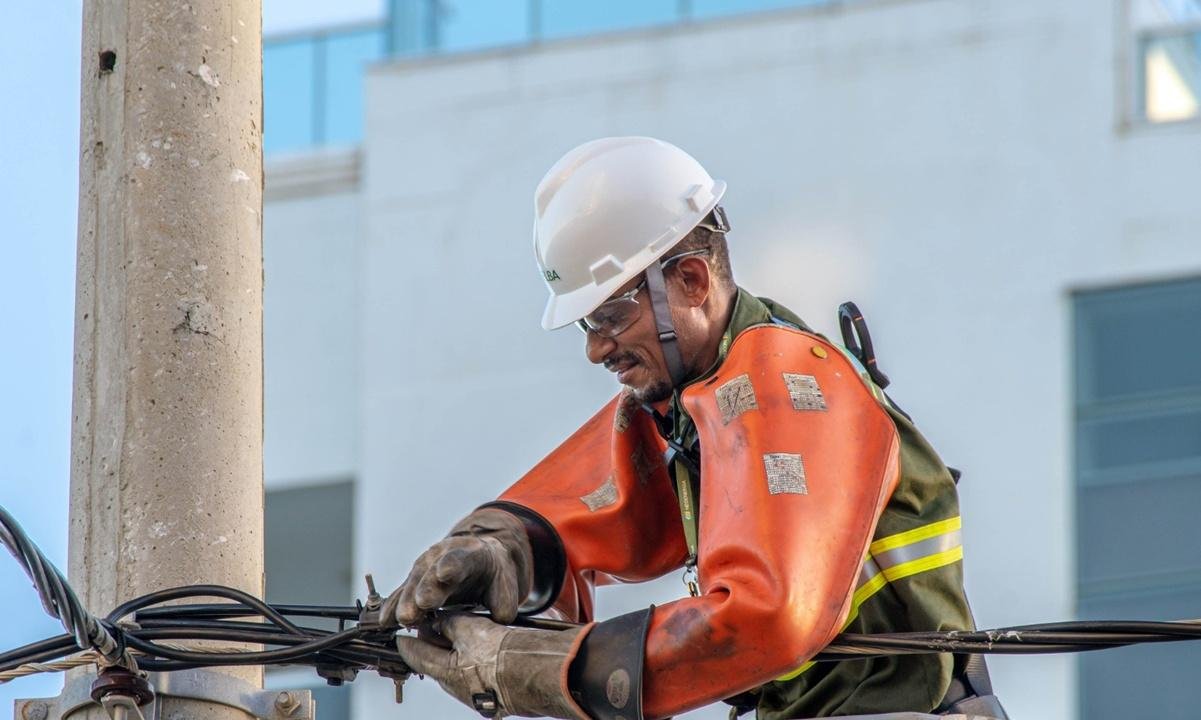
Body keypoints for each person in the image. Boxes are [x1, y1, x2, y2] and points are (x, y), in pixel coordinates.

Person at [384, 137, 1009, 720]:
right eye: (586, 325)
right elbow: (590, 502)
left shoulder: (785, 387)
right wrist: (498, 548)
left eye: (610, 315)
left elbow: (769, 617)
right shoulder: (699, 401)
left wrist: (549, 669)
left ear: (690, 280)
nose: (596, 349)